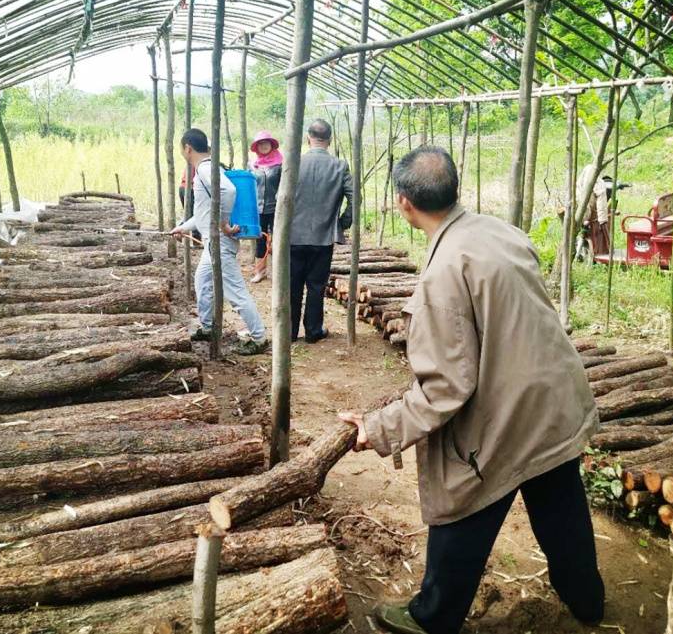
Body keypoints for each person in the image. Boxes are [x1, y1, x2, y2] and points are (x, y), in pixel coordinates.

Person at [340, 147, 604, 634]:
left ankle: (432, 618)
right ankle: (588, 600)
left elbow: (446, 390)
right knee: (561, 506)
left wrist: (378, 428)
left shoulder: (444, 273)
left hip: (510, 412)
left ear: (403, 203)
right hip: (556, 397)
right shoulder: (502, 231)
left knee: (463, 501)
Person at [171, 128, 268, 356]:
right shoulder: (206, 169)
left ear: (187, 148)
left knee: (235, 292)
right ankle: (208, 326)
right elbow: (205, 212)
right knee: (202, 281)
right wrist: (183, 227)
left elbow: (228, 190)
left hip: (220, 242)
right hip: (212, 242)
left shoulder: (205, 169)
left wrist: (223, 223)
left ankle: (258, 337)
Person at [289, 119, 353, 343]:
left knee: (293, 285)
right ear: (330, 139)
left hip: (293, 236)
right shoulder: (340, 166)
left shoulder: (293, 163)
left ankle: (289, 332)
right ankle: (313, 331)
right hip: (323, 237)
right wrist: (343, 222)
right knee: (316, 286)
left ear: (308, 138)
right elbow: (354, 197)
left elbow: (281, 198)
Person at [249, 130, 283, 283]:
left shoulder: (280, 164)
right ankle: (260, 271)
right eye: (260, 144)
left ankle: (280, 273)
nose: (264, 146)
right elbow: (249, 186)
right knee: (260, 239)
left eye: (266, 143)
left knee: (279, 239)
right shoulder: (252, 165)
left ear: (271, 145)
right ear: (257, 147)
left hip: (277, 208)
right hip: (258, 208)